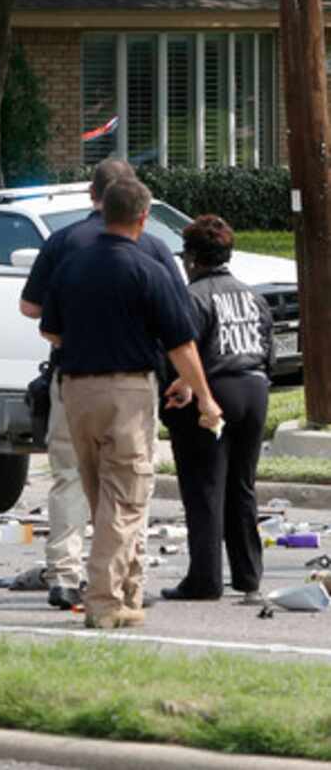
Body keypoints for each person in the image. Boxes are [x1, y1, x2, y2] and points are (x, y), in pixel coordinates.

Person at [40, 177, 221, 630]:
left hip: (76, 391)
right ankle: (103, 601)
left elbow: (49, 329)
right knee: (125, 500)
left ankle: (128, 591)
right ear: (143, 218)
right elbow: (182, 345)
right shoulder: (147, 268)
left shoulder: (71, 265)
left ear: (102, 210)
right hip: (127, 392)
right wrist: (205, 398)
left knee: (104, 497)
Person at [15, 160, 181, 611]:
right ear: (139, 209)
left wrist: (78, 325)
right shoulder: (152, 249)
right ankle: (128, 579)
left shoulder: (65, 243)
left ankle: (64, 573)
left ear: (94, 196)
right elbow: (176, 317)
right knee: (129, 484)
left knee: (68, 475)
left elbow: (32, 310)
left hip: (71, 377)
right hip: (132, 383)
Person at [160, 215, 272, 605]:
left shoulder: (193, 297)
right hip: (255, 390)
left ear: (191, 258)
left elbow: (185, 349)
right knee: (242, 486)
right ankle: (248, 575)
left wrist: (182, 389)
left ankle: (205, 580)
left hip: (213, 390)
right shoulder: (251, 295)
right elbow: (267, 348)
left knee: (205, 488)